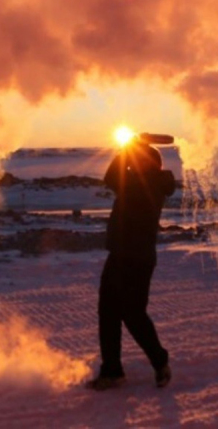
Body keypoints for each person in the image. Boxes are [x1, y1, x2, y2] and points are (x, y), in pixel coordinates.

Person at [89, 137, 175, 390]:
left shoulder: (142, 184)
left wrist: (127, 148)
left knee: (129, 314)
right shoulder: (150, 182)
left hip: (131, 258)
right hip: (126, 255)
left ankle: (158, 362)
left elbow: (111, 177)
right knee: (113, 313)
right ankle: (113, 370)